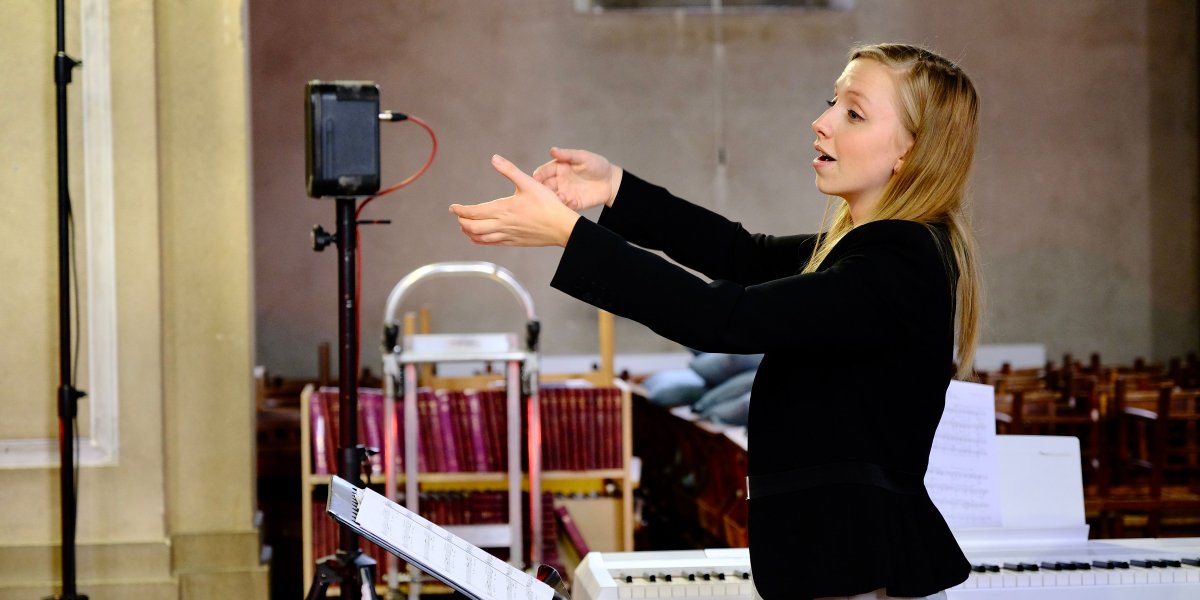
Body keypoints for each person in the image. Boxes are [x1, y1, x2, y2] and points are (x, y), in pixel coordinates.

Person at [450, 42, 980, 600]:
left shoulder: (899, 262)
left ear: (910, 152)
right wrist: (616, 189)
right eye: (831, 103)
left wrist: (571, 235)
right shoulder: (875, 251)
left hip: (861, 569)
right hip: (837, 561)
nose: (820, 123)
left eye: (853, 113)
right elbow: (743, 256)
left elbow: (722, 317)